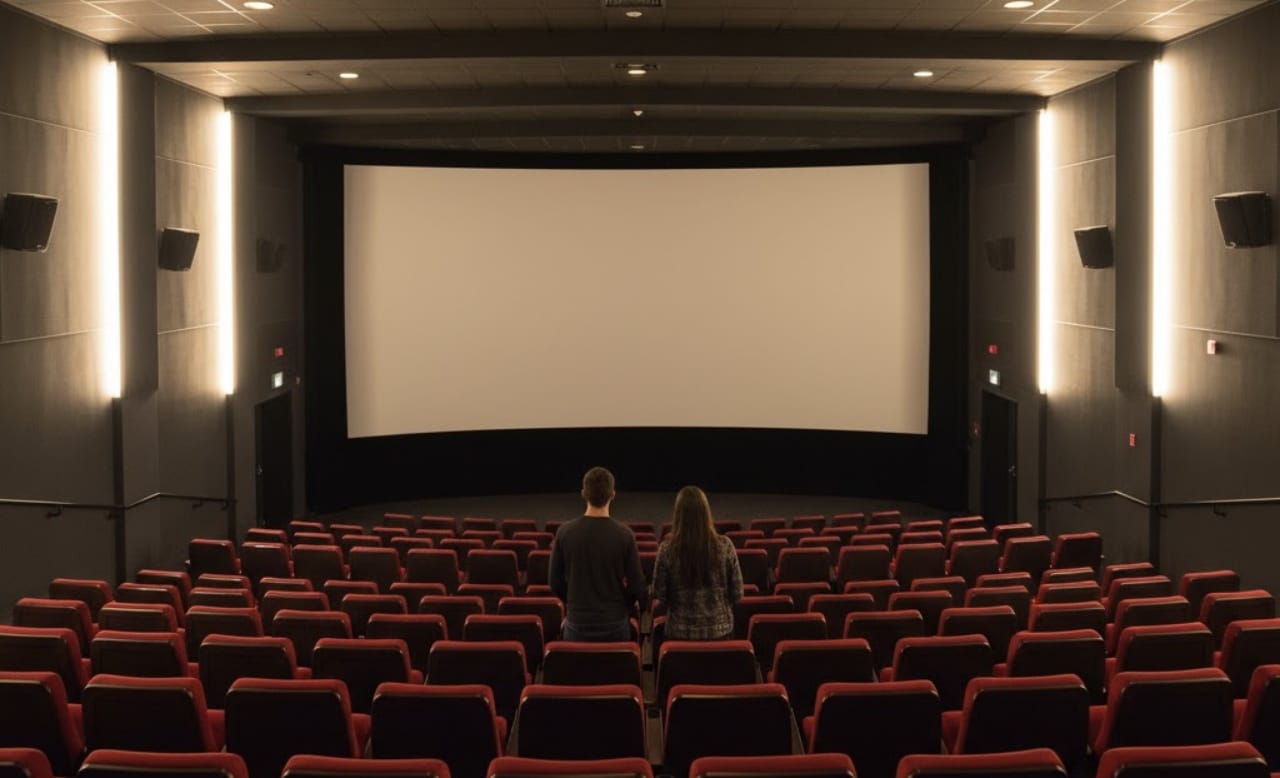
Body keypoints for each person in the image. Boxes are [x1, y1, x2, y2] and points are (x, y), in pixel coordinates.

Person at [549, 466, 646, 642]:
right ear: (613, 494)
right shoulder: (625, 535)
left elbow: (554, 582)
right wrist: (623, 606)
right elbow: (637, 586)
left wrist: (573, 604)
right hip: (615, 622)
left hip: (577, 622)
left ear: (583, 493)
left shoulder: (564, 532)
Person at [651, 485, 743, 640]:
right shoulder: (725, 546)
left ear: (678, 515)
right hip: (720, 635)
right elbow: (737, 593)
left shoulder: (666, 550)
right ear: (706, 513)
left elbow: (660, 595)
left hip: (679, 635)